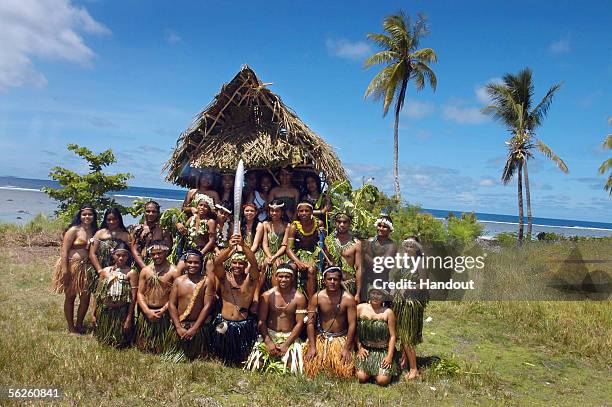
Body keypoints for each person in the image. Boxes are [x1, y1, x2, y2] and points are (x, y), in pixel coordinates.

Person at [245, 264, 307, 373]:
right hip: (270, 334)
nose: (283, 280)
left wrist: (287, 344)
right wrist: (268, 342)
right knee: (256, 366)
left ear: (292, 278)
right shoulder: (267, 295)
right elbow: (262, 321)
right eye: (281, 276)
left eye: (287, 277)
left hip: (289, 336)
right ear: (275, 276)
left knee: (293, 369)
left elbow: (300, 323)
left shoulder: (299, 298)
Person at [209, 235, 260, 366]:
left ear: (245, 265)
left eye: (241, 263)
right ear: (231, 264)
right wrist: (230, 247)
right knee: (220, 356)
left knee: (241, 358)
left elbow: (254, 263)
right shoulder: (224, 278)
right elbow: (216, 263)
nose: (237, 265)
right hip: (224, 322)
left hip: (243, 325)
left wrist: (243, 246)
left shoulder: (250, 280)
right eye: (235, 262)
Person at [52, 204, 98, 334]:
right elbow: (64, 250)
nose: (87, 217)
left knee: (85, 297)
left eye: (90, 214)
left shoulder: (95, 231)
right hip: (72, 266)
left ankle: (79, 325)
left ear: (94, 216)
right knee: (70, 297)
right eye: (84, 214)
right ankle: (71, 327)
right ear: (80, 216)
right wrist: (65, 270)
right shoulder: (73, 230)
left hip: (87, 268)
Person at [304, 266, 356, 379]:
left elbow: (352, 324)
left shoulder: (348, 299)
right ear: (324, 281)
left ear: (340, 280)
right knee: (312, 369)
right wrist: (312, 347)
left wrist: (346, 348)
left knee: (345, 373)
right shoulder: (317, 297)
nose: (332, 282)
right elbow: (310, 323)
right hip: (322, 337)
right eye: (329, 279)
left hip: (341, 338)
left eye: (336, 279)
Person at [167, 250, 215, 361]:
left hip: (198, 327)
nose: (192, 265)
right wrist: (178, 327)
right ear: (185, 263)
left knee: (199, 358)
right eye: (190, 262)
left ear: (201, 264)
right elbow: (172, 304)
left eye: (196, 262)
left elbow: (207, 306)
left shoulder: (207, 281)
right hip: (180, 326)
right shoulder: (178, 281)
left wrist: (195, 328)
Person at [392, 236, 428, 380]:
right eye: (406, 245)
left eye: (411, 246)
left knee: (407, 337)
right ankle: (403, 362)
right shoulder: (404, 261)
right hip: (400, 302)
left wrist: (409, 287)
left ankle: (414, 369)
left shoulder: (421, 263)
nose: (408, 248)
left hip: (412, 304)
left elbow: (425, 286)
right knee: (400, 333)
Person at [135, 241, 180, 353]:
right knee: (143, 348)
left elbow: (175, 296)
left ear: (166, 252)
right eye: (153, 254)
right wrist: (146, 311)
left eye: (159, 253)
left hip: (164, 313)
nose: (156, 256)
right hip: (147, 311)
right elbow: (140, 293)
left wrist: (163, 310)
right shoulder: (145, 270)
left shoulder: (174, 271)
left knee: (161, 348)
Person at [91, 242, 138, 347]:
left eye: (124, 256)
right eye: (118, 255)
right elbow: (97, 294)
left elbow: (133, 298)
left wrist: (129, 318)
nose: (121, 258)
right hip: (105, 311)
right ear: (113, 255)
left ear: (128, 257)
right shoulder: (105, 271)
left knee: (120, 344)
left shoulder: (131, 273)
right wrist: (93, 314)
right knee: (104, 342)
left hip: (121, 312)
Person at [355, 288, 400, 386]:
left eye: (379, 294)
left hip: (382, 351)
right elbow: (354, 330)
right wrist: (360, 348)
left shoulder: (388, 312)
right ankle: (369, 370)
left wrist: (389, 356)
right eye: (373, 293)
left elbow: (393, 336)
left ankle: (378, 372)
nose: (375, 296)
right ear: (369, 295)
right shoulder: (360, 308)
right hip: (366, 350)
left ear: (384, 297)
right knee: (361, 377)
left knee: (382, 381)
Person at [88, 207, 131, 293]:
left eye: (114, 219)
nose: (112, 222)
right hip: (100, 268)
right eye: (109, 219)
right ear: (105, 220)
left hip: (120, 271)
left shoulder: (125, 235)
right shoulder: (100, 233)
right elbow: (92, 254)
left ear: (119, 219)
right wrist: (100, 271)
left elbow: (131, 254)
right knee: (99, 296)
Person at [286, 201, 322, 298]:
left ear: (311, 212)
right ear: (298, 213)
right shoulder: (294, 226)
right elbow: (289, 249)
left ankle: (311, 302)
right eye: (301, 211)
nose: (304, 213)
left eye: (307, 211)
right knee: (292, 268)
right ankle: (292, 298)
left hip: (314, 255)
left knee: (311, 270)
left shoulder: (318, 224)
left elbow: (323, 244)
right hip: (297, 255)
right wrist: (298, 262)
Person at [325, 212, 362, 301]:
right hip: (331, 284)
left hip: (348, 285)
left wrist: (357, 293)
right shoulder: (328, 241)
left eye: (345, 222)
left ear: (349, 224)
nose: (342, 225)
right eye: (339, 222)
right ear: (335, 223)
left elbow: (359, 268)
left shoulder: (356, 243)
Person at [176, 194, 217, 273]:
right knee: (178, 270)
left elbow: (211, 240)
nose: (202, 207)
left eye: (205, 206)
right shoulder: (192, 218)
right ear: (197, 206)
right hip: (190, 251)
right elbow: (184, 231)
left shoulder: (210, 222)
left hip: (203, 251)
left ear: (208, 209)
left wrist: (201, 253)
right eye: (200, 205)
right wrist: (178, 225)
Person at [362, 214, 398, 301]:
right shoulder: (370, 241)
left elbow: (380, 266)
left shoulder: (392, 246)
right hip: (366, 282)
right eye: (379, 225)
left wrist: (363, 253)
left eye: (384, 227)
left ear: (390, 230)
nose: (381, 228)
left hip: (380, 284)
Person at [131, 201, 173, 271]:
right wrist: (144, 267)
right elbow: (134, 249)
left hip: (158, 266)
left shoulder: (164, 231)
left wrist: (155, 265)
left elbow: (167, 250)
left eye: (154, 211)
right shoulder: (138, 229)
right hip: (139, 264)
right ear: (144, 212)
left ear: (158, 213)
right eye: (148, 211)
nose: (150, 214)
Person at [259, 199, 290, 291]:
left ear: (282, 212)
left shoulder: (287, 226)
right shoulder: (266, 224)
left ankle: (276, 292)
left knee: (277, 265)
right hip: (267, 253)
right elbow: (265, 244)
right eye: (272, 211)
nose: (274, 213)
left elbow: (284, 245)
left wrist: (275, 257)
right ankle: (257, 294)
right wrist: (269, 256)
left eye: (277, 211)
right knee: (263, 265)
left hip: (281, 254)